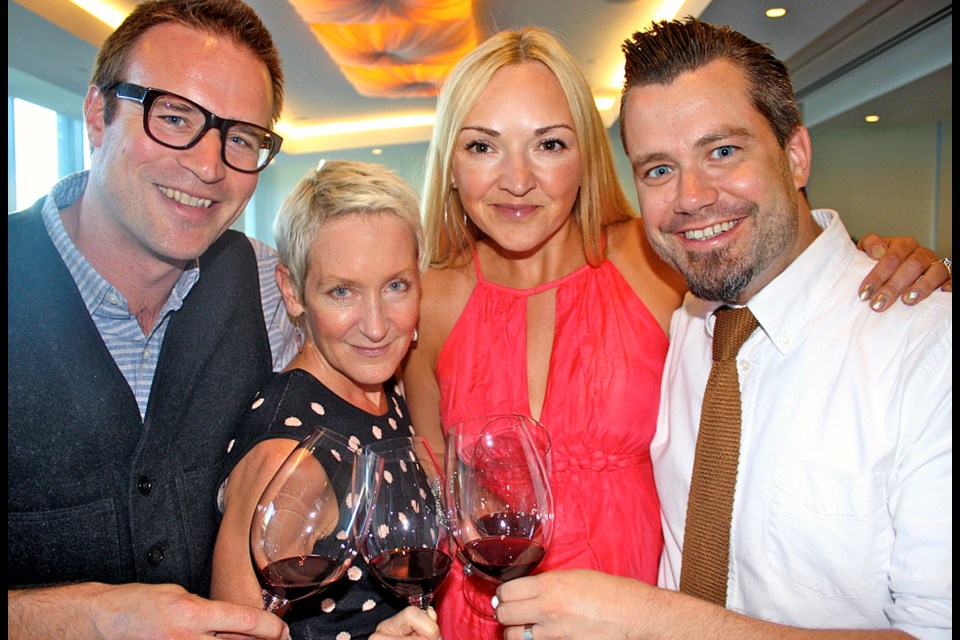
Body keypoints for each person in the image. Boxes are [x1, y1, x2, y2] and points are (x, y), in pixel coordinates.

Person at [400, 25, 950, 640]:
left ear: (585, 157)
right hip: (482, 614)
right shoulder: (425, 300)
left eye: (549, 144)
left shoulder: (660, 264)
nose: (518, 179)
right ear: (449, 162)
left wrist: (904, 267)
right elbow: (425, 486)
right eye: (482, 147)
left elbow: (777, 262)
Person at [6, 1, 299, 637]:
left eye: (241, 137)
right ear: (95, 115)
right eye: (173, 117)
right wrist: (79, 620)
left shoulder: (267, 289)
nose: (208, 166)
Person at [211, 159, 440, 640]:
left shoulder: (382, 390)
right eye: (342, 292)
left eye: (396, 285)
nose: (377, 326)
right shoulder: (290, 452)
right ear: (293, 293)